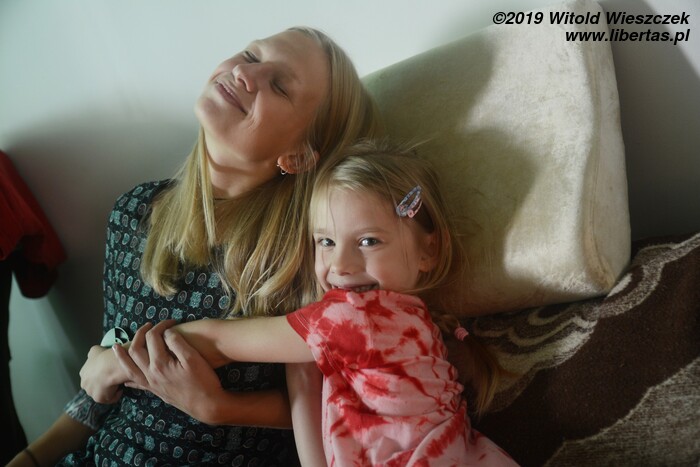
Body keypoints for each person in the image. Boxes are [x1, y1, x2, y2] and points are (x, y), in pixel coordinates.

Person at [9, 27, 381, 467]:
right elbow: (101, 385)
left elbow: (345, 400)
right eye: (250, 55)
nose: (244, 73)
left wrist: (220, 408)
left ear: (298, 155)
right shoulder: (134, 212)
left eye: (279, 86)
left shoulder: (309, 255)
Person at [102, 140, 517, 466]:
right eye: (326, 241)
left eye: (369, 241)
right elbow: (316, 421)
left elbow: (216, 339)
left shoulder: (359, 318)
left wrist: (112, 363)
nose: (341, 264)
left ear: (429, 250)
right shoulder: (410, 322)